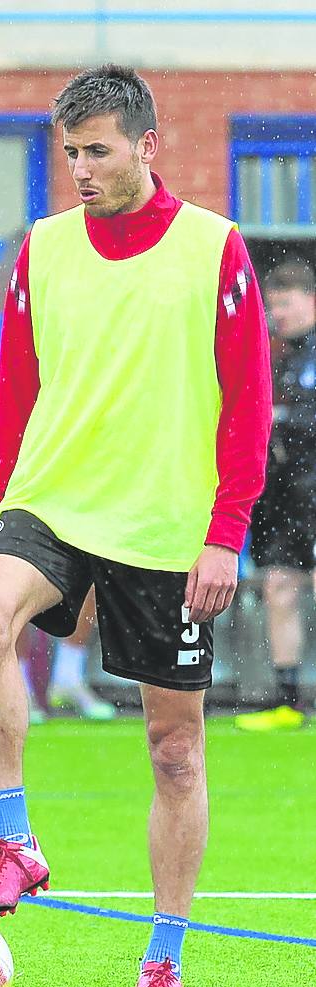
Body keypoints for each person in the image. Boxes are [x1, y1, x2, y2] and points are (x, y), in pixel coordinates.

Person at [0, 66, 269, 987]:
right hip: (50, 501)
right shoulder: (41, 249)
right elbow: (13, 394)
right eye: (70, 154)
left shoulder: (215, 247)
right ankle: (15, 842)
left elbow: (246, 400)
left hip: (167, 527)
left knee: (173, 751)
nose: (81, 170)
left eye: (96, 150)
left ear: (146, 143)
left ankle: (163, 956)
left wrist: (224, 536)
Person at [0, 306, 116, 723]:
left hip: (79, 471)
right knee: (7, 581)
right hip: (19, 476)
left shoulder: (89, 319)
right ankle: (22, 680)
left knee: (98, 570)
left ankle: (68, 674)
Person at [235, 259, 316, 732]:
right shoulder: (279, 358)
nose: (278, 314)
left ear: (310, 300)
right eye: (274, 306)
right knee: (279, 588)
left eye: (286, 303)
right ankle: (288, 702)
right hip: (284, 497)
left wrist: (283, 421)